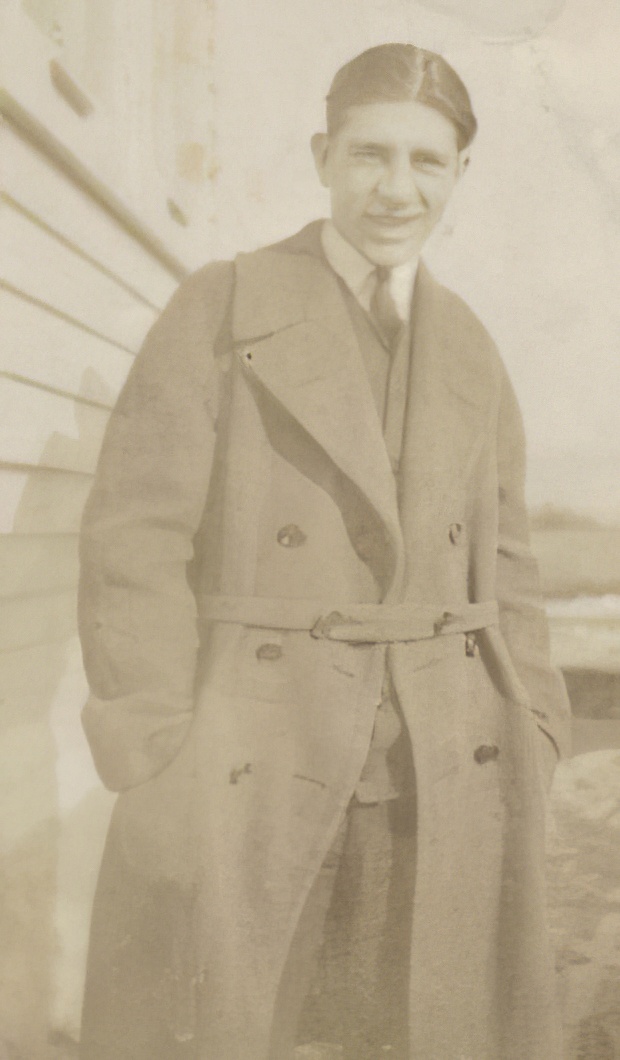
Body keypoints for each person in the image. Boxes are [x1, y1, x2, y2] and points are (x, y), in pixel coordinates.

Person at [77, 43, 571, 1060]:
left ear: (459, 173)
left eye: (425, 161)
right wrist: (156, 747)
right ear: (321, 156)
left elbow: (511, 562)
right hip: (252, 769)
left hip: (436, 782)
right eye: (368, 154)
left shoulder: (470, 344)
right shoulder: (223, 305)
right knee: (230, 1030)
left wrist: (538, 725)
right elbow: (133, 543)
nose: (396, 188)